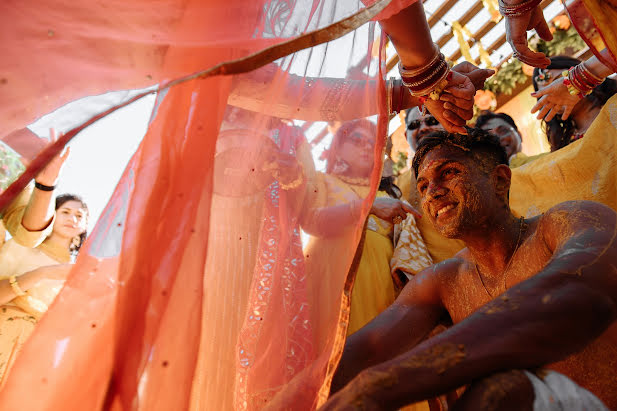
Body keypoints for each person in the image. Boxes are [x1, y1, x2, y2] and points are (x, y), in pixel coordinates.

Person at [324, 128, 617, 409]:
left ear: (500, 180)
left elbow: (580, 294)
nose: (433, 193)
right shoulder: (443, 280)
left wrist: (380, 385)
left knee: (501, 391)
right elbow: (368, 350)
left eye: (449, 173)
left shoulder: (566, 221)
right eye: (423, 186)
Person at [0, 193, 88, 383]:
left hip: (31, 360)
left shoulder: (79, 275)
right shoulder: (18, 245)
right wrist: (42, 273)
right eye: (65, 212)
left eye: (79, 216)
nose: (72, 219)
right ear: (51, 215)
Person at [529, 56, 617, 152]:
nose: (557, 93)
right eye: (546, 93)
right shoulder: (563, 146)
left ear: (578, 71)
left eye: (559, 81)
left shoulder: (613, 101)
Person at [474, 111, 546, 168]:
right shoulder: (483, 185)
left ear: (519, 135)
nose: (497, 138)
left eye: (503, 131)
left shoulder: (546, 161)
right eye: (488, 137)